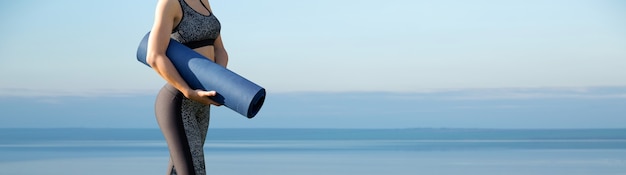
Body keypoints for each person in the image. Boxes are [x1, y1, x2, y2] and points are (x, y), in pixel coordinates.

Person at [145, 0, 228, 174]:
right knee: (194, 171)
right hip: (179, 100)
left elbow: (219, 49)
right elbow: (154, 56)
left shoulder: (203, 1)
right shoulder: (170, 3)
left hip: (202, 102)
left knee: (178, 170)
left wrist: (219, 81)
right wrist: (187, 91)